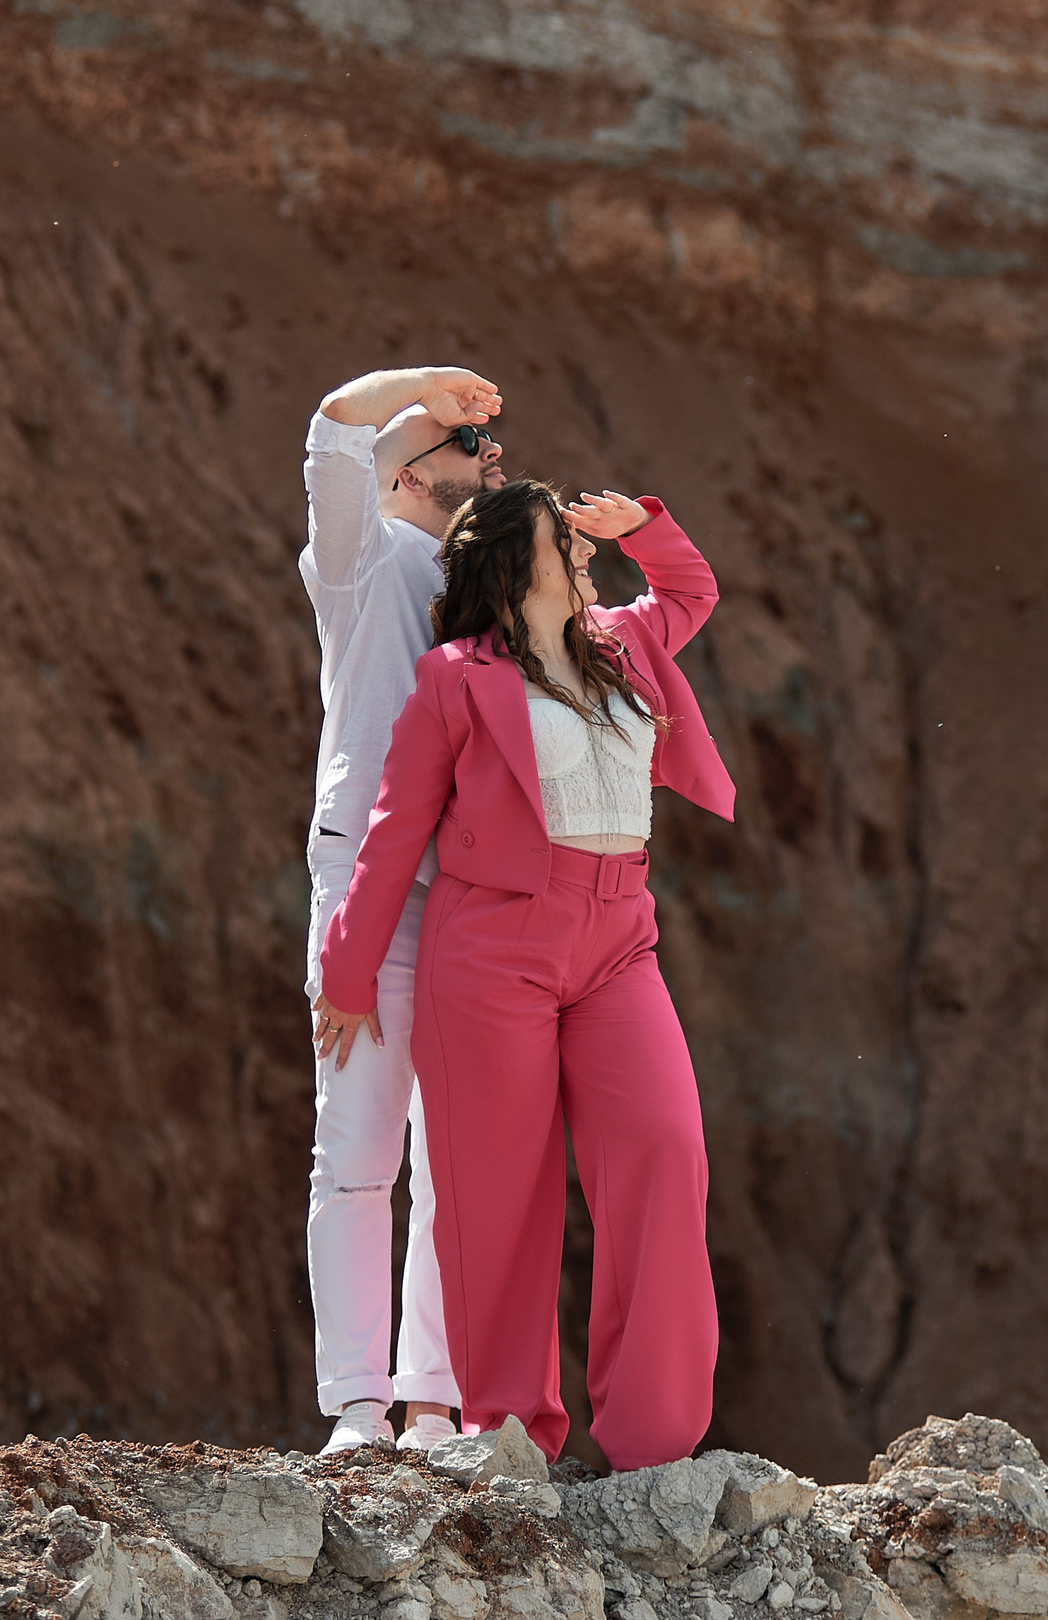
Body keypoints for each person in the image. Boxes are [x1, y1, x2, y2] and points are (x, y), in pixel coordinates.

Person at [310, 480, 737, 1471]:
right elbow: (393, 831)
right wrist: (347, 971)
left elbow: (691, 590)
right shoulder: (455, 678)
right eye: (565, 538)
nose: (583, 553)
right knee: (495, 1193)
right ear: (516, 566)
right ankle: (507, 1427)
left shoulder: (625, 642)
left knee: (666, 1148)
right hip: (491, 951)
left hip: (618, 941)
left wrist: (644, 529)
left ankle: (653, 1437)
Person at [298, 365, 509, 1455]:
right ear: (415, 473)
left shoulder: (492, 585)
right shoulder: (359, 560)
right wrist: (417, 385)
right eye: (471, 449)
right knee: (358, 1155)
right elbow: (333, 432)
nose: (492, 457)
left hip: (473, 895)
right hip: (363, 891)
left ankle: (432, 1403)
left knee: (456, 1160)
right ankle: (355, 1410)